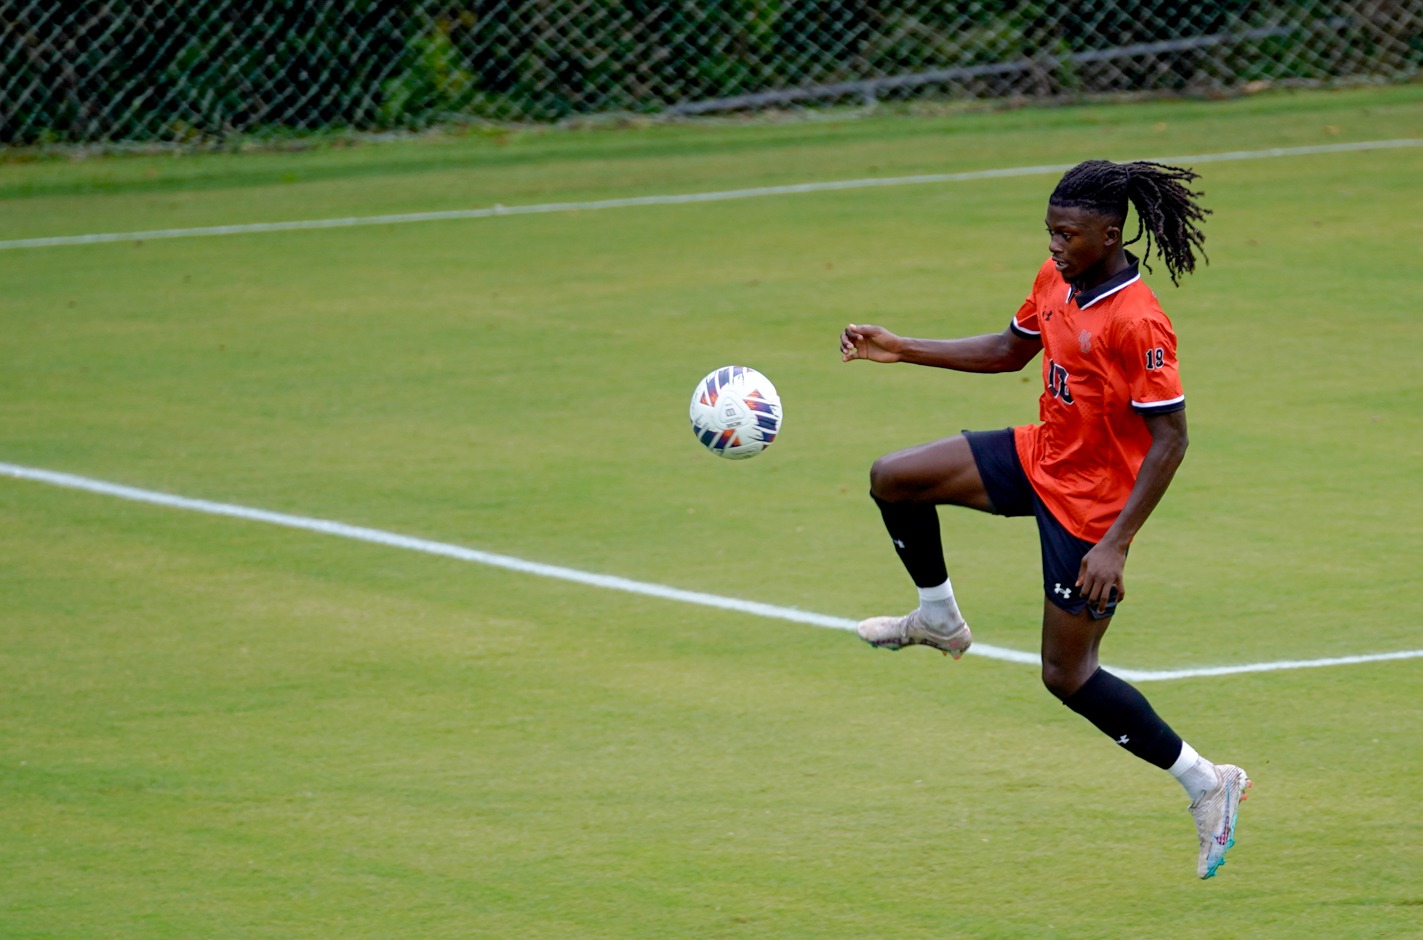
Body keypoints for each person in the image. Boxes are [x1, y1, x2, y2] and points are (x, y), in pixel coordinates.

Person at [839, 159, 1249, 880]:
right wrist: (902, 348)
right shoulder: (1054, 279)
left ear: (1109, 233)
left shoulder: (1137, 320)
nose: (1055, 245)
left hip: (1091, 507)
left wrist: (1115, 544)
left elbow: (1171, 439)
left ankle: (1207, 784)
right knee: (894, 478)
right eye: (1050, 231)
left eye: (1068, 234)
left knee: (1065, 675)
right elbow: (1007, 351)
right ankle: (937, 619)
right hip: (1042, 455)